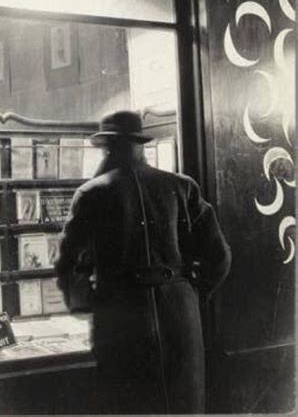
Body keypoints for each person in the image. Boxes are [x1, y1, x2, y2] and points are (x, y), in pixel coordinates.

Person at [56, 110, 231, 414]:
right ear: (140, 144)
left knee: (131, 404)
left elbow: (67, 263)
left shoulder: (91, 193)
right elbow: (219, 256)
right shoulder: (181, 186)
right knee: (182, 404)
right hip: (180, 314)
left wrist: (87, 302)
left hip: (121, 315)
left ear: (108, 147)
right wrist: (192, 293)